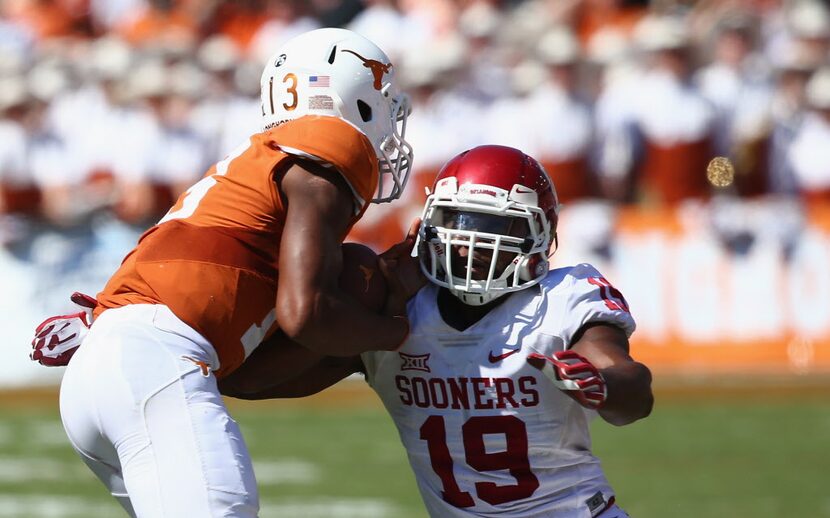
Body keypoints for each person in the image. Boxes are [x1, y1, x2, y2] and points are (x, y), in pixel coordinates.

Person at [30, 27, 416, 517]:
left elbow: (248, 377)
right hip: (154, 363)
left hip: (107, 375)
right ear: (348, 93)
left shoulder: (258, 166)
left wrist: (355, 350)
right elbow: (306, 314)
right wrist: (402, 330)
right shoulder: (326, 144)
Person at [221, 145, 655, 517]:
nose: (470, 241)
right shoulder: (400, 309)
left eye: (493, 226)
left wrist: (601, 384)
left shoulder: (562, 297)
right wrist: (379, 323)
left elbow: (630, 390)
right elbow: (253, 381)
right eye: (458, 221)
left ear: (538, 233)